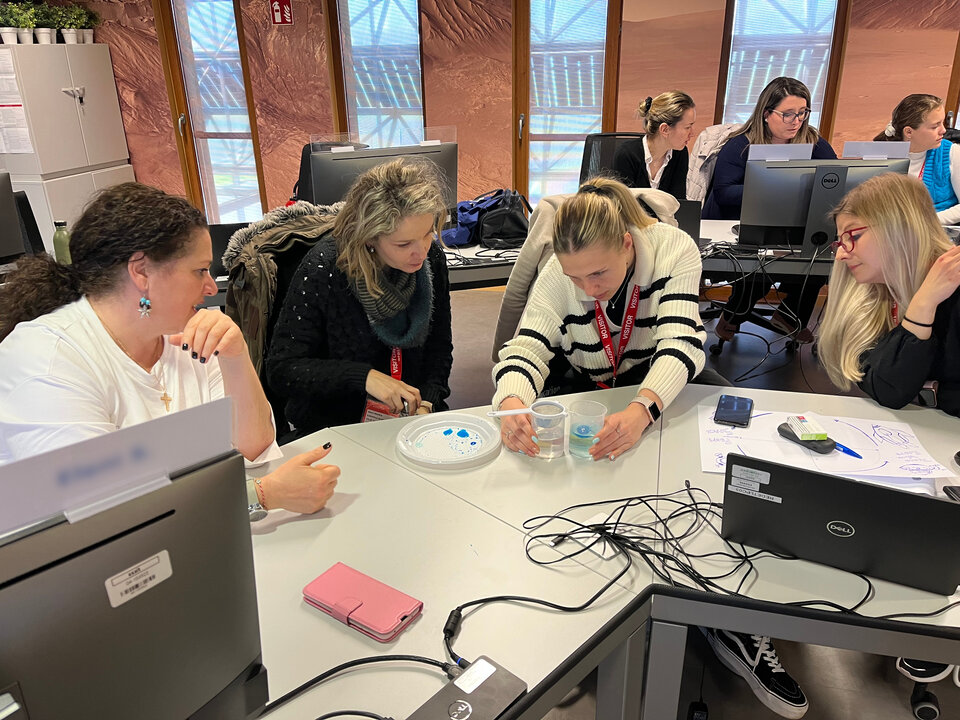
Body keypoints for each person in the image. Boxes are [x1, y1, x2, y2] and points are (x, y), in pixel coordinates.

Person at [0, 183, 339, 515]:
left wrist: (235, 357)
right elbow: (99, 510)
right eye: (200, 270)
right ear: (141, 272)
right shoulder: (47, 359)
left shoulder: (183, 335)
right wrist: (260, 495)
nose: (209, 287)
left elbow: (253, 450)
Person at [818, 171, 960, 689]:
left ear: (897, 227)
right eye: (841, 239)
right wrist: (921, 309)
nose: (842, 252)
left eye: (853, 236)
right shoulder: (898, 292)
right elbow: (886, 387)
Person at [492, 176, 706, 462]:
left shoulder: (675, 249)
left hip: (651, 371)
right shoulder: (558, 271)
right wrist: (511, 403)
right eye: (575, 278)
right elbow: (525, 349)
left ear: (626, 244)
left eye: (598, 274)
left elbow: (680, 342)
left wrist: (641, 411)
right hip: (589, 377)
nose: (590, 290)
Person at [266, 158, 453, 433]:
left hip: (409, 421)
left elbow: (439, 350)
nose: (421, 251)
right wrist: (363, 377)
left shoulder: (430, 261)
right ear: (369, 238)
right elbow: (282, 370)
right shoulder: (325, 269)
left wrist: (428, 402)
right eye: (403, 244)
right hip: (336, 426)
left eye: (427, 234)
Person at [703, 76, 836, 344]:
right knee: (763, 260)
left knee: (819, 253)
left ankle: (788, 314)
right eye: (787, 114)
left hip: (795, 226)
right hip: (743, 225)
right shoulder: (740, 145)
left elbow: (834, 181)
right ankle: (735, 312)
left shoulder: (814, 142)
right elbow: (725, 192)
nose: (796, 121)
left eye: (802, 113)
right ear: (766, 114)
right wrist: (774, 189)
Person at [874, 93, 960, 225]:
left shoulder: (951, 152)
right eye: (934, 126)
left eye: (942, 123)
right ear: (908, 132)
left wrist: (922, 223)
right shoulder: (881, 157)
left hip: (940, 233)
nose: (943, 130)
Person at [612, 91, 696, 201]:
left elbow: (677, 203)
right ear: (665, 129)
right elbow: (624, 208)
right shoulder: (626, 154)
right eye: (687, 127)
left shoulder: (680, 153)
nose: (692, 133)